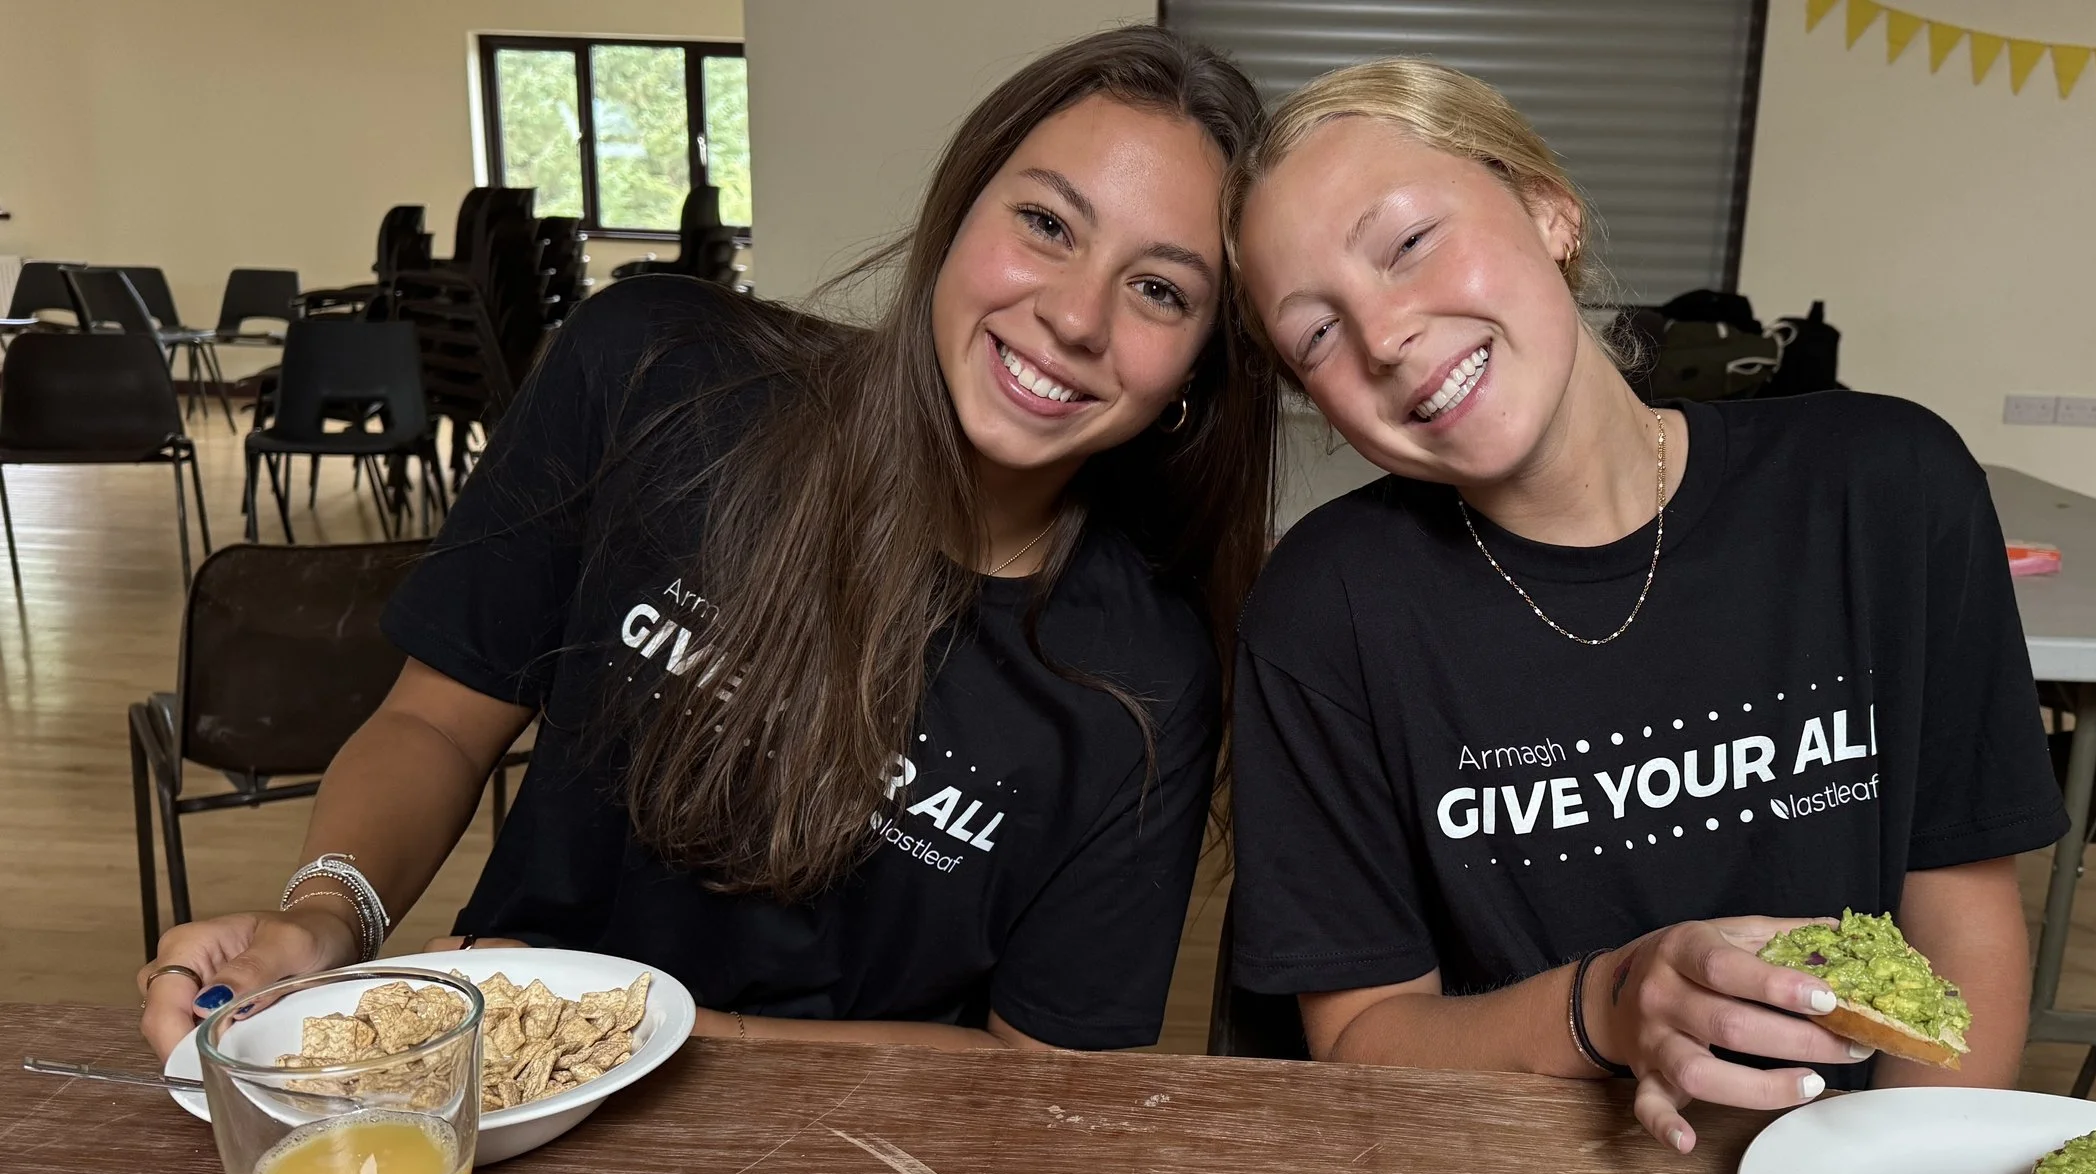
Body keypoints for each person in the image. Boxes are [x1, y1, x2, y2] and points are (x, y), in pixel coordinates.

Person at [138, 26, 1276, 1059]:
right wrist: (326, 918)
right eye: (1045, 223)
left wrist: (647, 1030)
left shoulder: (1147, 677)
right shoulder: (651, 377)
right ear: (958, 214)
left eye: (1159, 290)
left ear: (1195, 371)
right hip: (516, 1113)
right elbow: (436, 716)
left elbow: (1043, 1075)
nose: (1076, 316)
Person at [1221, 59, 2065, 1151]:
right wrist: (1608, 1001)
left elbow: (1959, 913)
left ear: (1547, 207)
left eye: (1409, 243)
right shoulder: (1322, 613)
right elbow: (1361, 1041)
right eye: (1317, 335)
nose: (1382, 335)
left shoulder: (1890, 488)